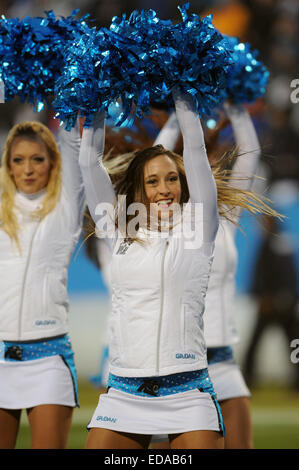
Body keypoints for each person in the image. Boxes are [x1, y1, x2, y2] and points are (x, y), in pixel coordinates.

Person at [79, 89, 225, 449]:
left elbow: (194, 151)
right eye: (153, 181)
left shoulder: (199, 225)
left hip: (187, 392)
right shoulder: (118, 228)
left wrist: (185, 90)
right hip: (125, 391)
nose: (164, 189)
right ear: (139, 190)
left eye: (172, 179)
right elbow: (88, 161)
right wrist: (94, 90)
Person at [151, 102, 261, 449]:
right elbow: (155, 158)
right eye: (199, 164)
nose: (208, 170)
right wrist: (179, 107)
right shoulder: (167, 223)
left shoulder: (225, 218)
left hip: (222, 360)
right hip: (177, 366)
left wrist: (237, 103)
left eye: (212, 163)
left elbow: (249, 156)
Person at [0, 118, 84, 449]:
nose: (28, 169)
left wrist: (70, 83)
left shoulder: (65, 208)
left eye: (38, 159)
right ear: (8, 165)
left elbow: (75, 145)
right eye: (18, 160)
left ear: (53, 161)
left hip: (48, 358)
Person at [244, 214, 299, 390]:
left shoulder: (276, 244)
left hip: (277, 303)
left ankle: (248, 377)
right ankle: (248, 377)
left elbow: (283, 274)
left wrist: (271, 297)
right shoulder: (276, 243)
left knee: (292, 342)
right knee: (292, 342)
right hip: (275, 301)